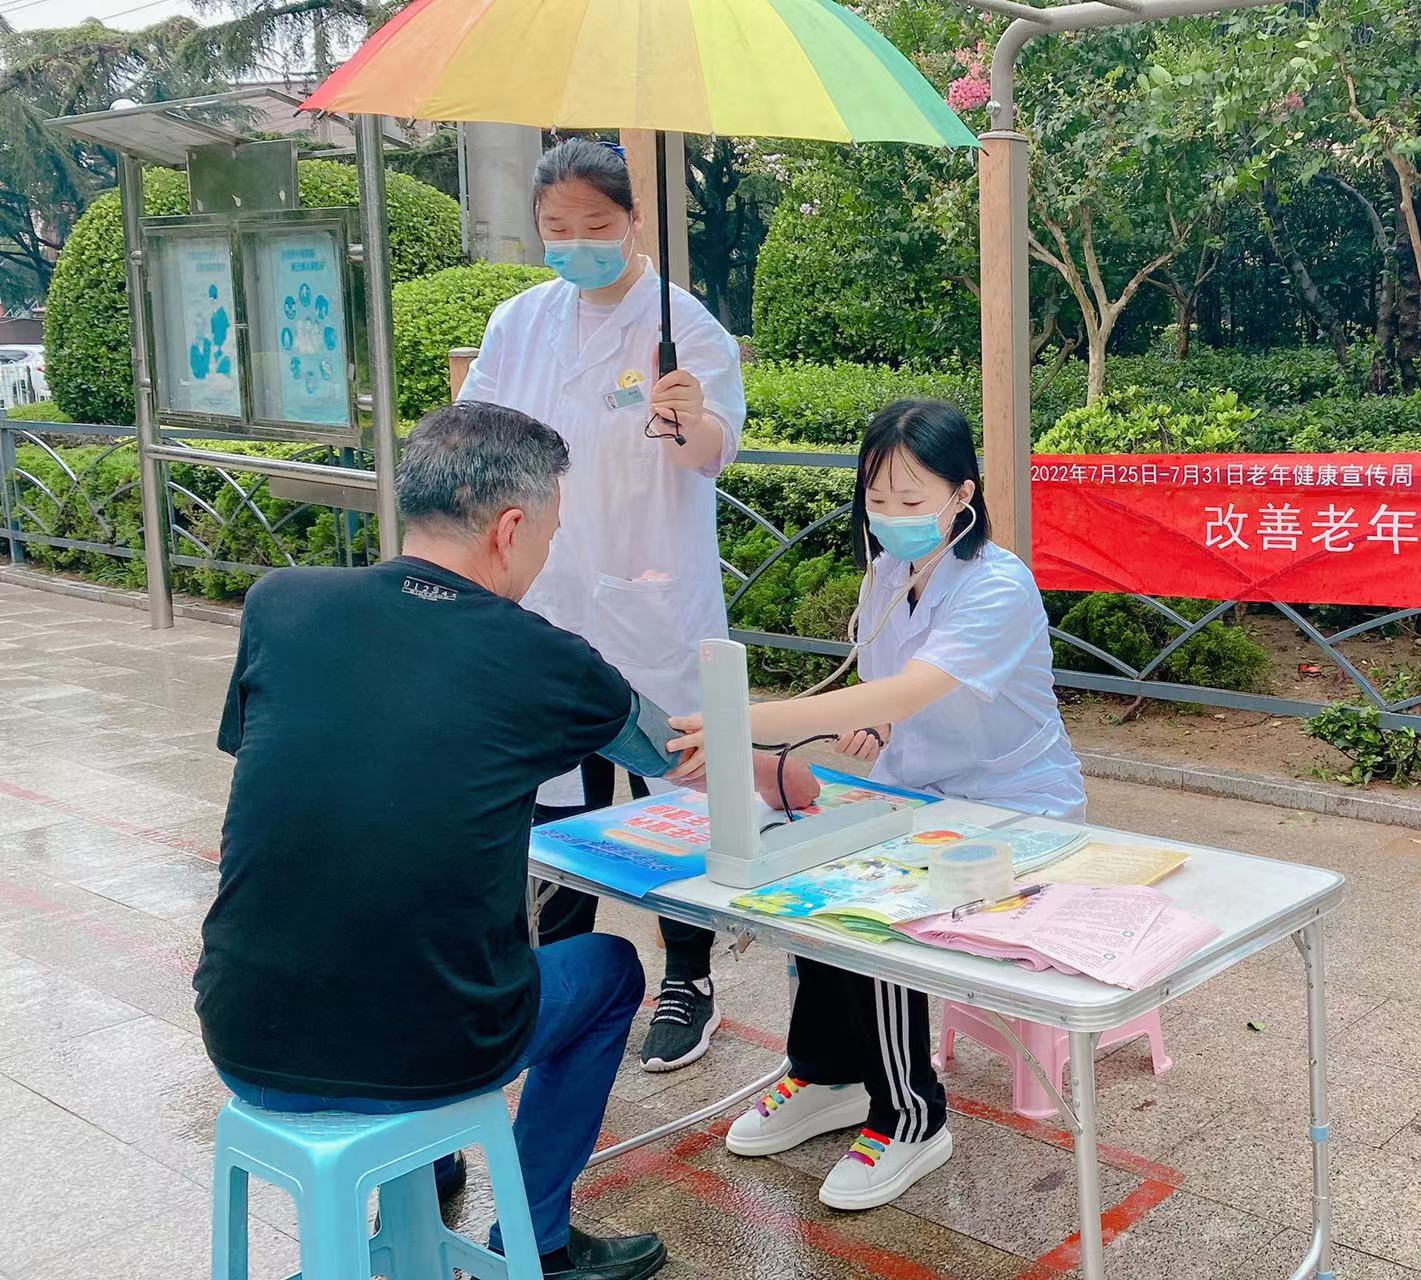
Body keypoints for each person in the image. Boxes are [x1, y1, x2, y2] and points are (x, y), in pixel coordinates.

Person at [194, 403, 680, 1280]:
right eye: (549, 536)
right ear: (511, 529)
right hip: (437, 1049)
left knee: (378, 927)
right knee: (610, 971)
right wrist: (779, 764)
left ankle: (426, 1169)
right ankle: (540, 1244)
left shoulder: (281, 604)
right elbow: (668, 751)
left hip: (242, 1036)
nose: (545, 556)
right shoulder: (544, 657)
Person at [665, 400, 1086, 1212]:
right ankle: (828, 1075)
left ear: (963, 495)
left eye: (911, 499)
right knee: (816, 873)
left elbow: (912, 686)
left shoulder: (998, 586)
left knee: (874, 903)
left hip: (1013, 807)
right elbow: (884, 692)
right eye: (877, 499)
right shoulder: (889, 575)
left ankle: (910, 1112)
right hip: (918, 794)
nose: (891, 516)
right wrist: (875, 722)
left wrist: (742, 721)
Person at [459, 136, 748, 1073]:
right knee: (555, 799)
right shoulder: (519, 322)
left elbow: (713, 453)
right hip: (544, 594)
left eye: (595, 224)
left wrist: (688, 419)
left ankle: (688, 977)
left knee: (671, 795)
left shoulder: (684, 324)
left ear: (633, 221)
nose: (575, 242)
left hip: (651, 601)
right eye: (557, 227)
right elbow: (481, 435)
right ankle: (558, 979)